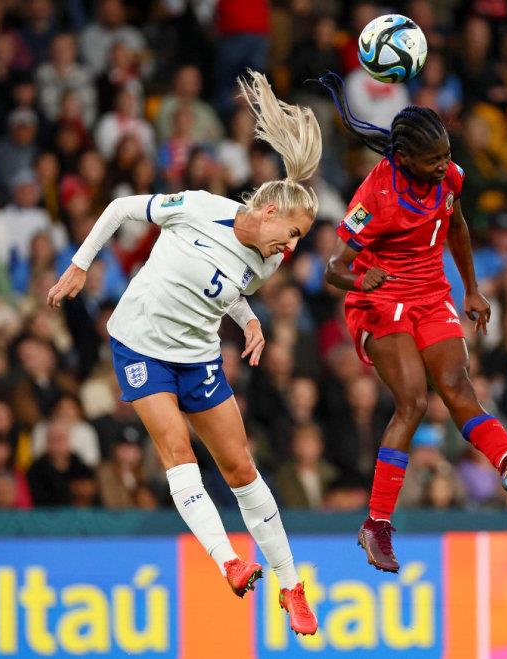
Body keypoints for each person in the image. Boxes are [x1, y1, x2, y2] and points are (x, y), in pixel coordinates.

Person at [47, 71, 318, 636]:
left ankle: (291, 586)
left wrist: (249, 320)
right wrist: (79, 264)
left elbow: (226, 289)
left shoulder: (268, 261)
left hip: (198, 357)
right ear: (269, 211)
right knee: (177, 452)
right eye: (291, 233)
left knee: (241, 468)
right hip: (139, 345)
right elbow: (120, 207)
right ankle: (229, 562)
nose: (291, 247)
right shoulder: (197, 207)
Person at [318, 72, 507, 574]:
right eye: (434, 160)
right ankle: (376, 524)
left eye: (447, 154)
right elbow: (333, 268)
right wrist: (361, 280)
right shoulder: (374, 195)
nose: (444, 165)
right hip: (381, 297)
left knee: (458, 386)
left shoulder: (451, 178)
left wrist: (471, 288)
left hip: (431, 294)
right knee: (412, 401)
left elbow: (458, 226)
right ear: (405, 159)